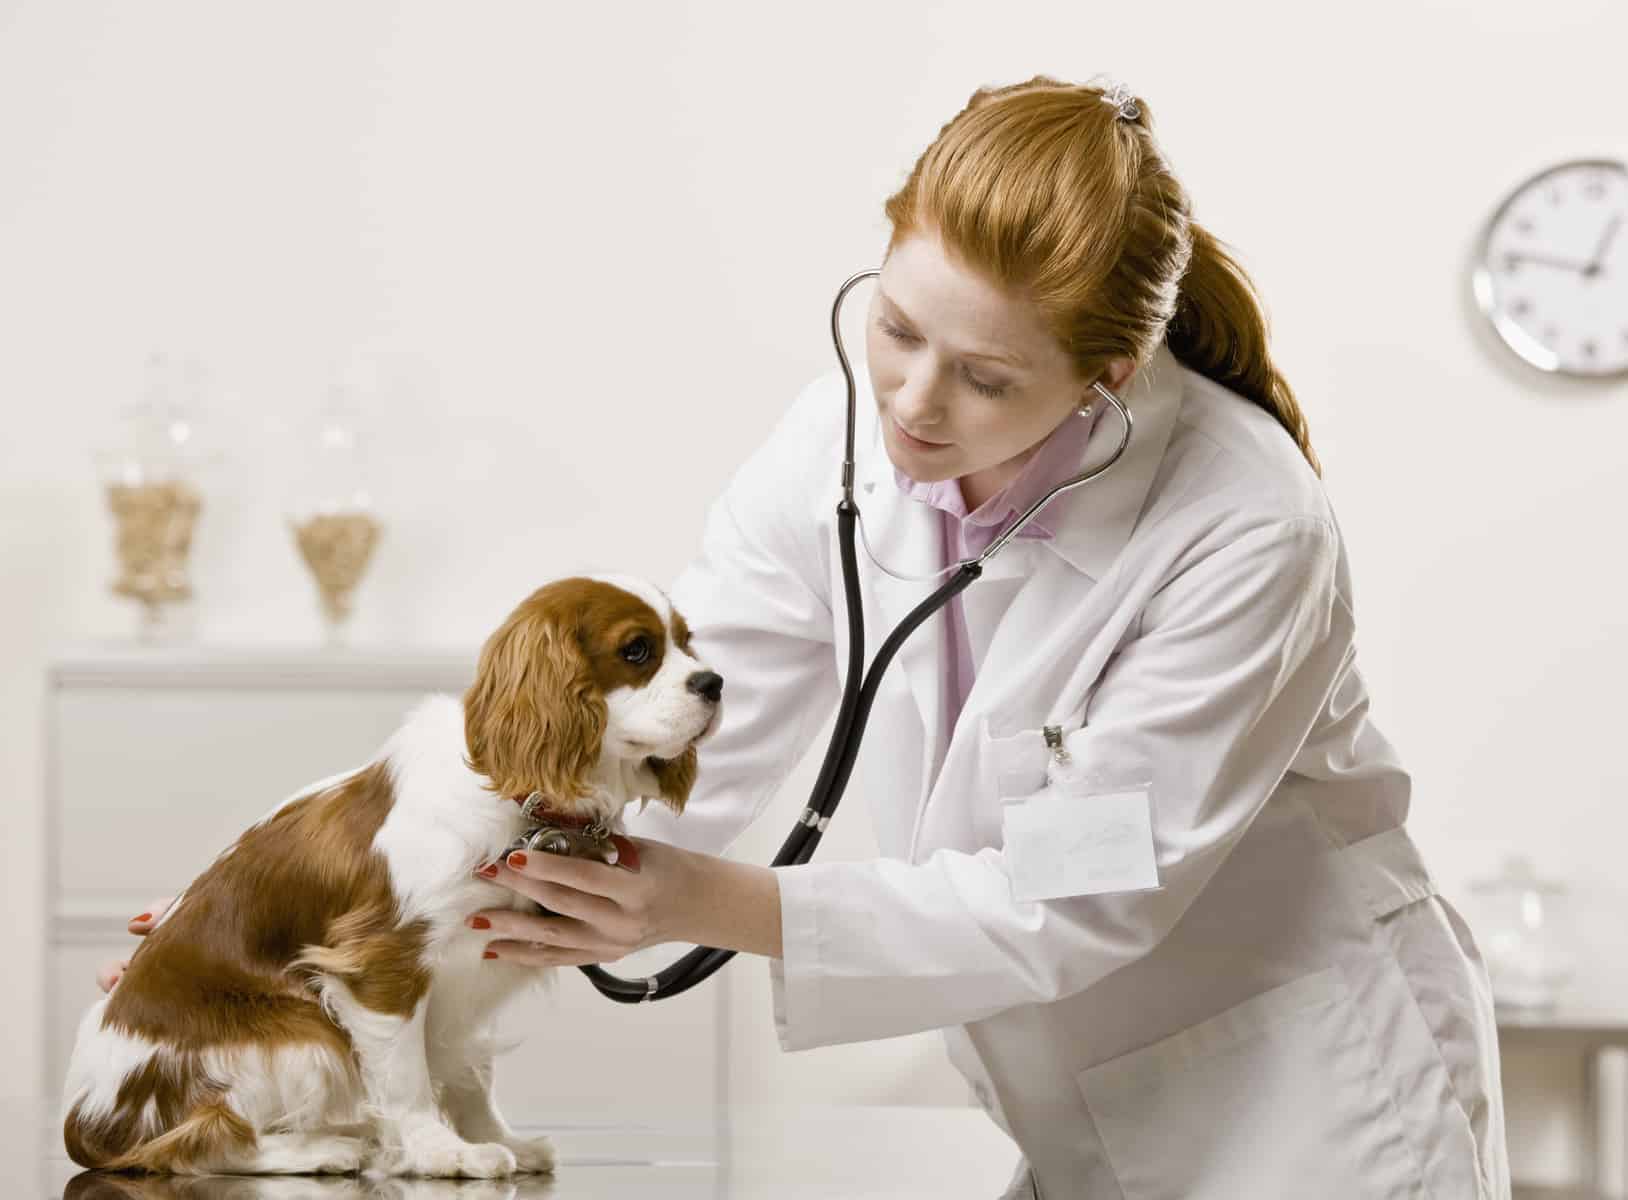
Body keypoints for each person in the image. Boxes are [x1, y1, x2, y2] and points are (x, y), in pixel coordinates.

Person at [101, 75, 1510, 1199]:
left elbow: (1080, 887)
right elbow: (676, 729)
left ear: (1109, 378)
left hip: (1309, 1106)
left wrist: (711, 905)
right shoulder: (844, 442)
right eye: (894, 326)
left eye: (984, 377)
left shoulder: (1244, 527)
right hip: (1082, 1097)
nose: (909, 401)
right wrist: (276, 933)